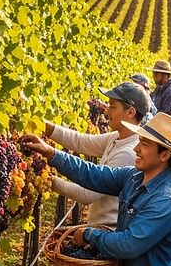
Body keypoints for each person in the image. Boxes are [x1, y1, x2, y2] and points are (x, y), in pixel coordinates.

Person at [22, 113, 171, 266]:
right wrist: (51, 153)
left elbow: (129, 244)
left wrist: (89, 234)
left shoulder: (166, 200)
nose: (136, 148)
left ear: (164, 154)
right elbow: (93, 174)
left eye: (145, 144)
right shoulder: (133, 177)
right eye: (139, 141)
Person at [45, 82, 150, 227]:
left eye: (113, 106)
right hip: (99, 228)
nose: (107, 110)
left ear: (130, 112)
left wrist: (49, 181)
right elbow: (80, 141)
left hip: (108, 232)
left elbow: (87, 194)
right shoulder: (116, 137)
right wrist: (45, 127)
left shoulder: (128, 153)